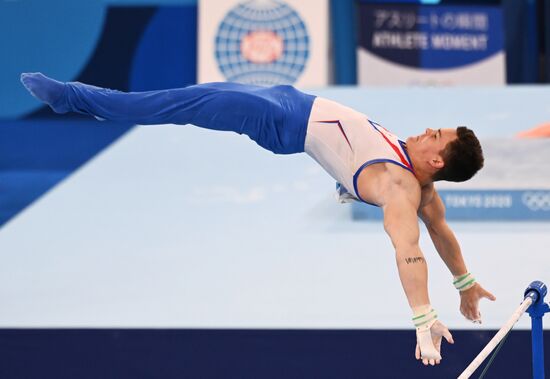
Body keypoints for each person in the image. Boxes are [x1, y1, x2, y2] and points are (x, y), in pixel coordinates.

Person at [20, 72, 495, 366]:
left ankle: (75, 98)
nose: (427, 129)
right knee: (189, 96)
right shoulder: (427, 190)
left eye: (435, 135)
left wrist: (422, 317)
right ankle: (85, 100)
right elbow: (442, 233)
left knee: (180, 102)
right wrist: (465, 281)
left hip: (279, 119)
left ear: (436, 161)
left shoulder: (400, 186)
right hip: (291, 100)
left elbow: (408, 248)